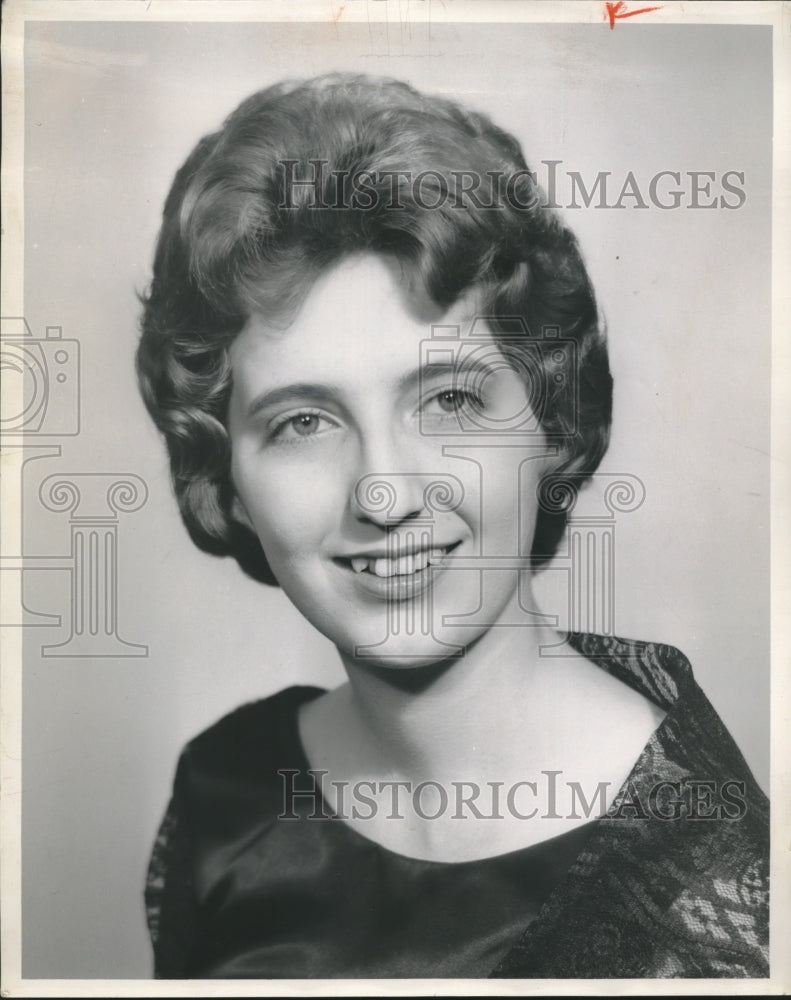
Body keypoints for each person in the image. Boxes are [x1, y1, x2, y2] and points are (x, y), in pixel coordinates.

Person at [136, 73, 769, 979]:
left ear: (548, 419)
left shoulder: (709, 888)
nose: (384, 493)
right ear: (226, 476)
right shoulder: (227, 794)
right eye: (302, 422)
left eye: (449, 399)